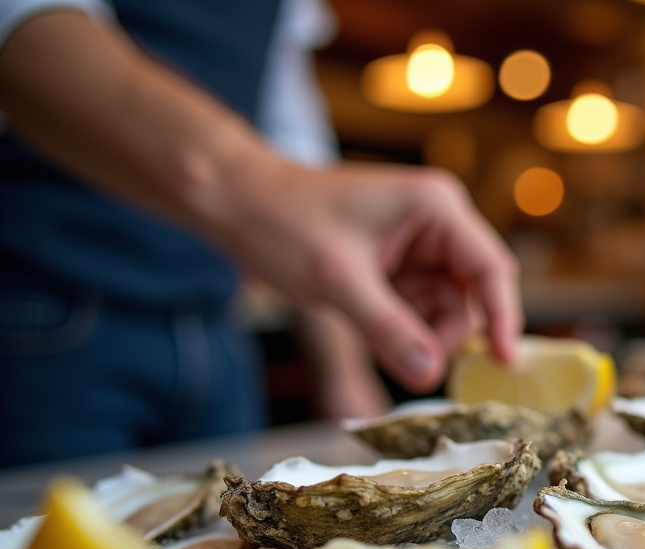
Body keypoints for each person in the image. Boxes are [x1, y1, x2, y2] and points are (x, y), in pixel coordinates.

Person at [0, 1, 520, 467]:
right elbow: (26, 31)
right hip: (45, 319)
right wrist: (262, 185)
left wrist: (344, 372)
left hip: (221, 328)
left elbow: (293, 140)